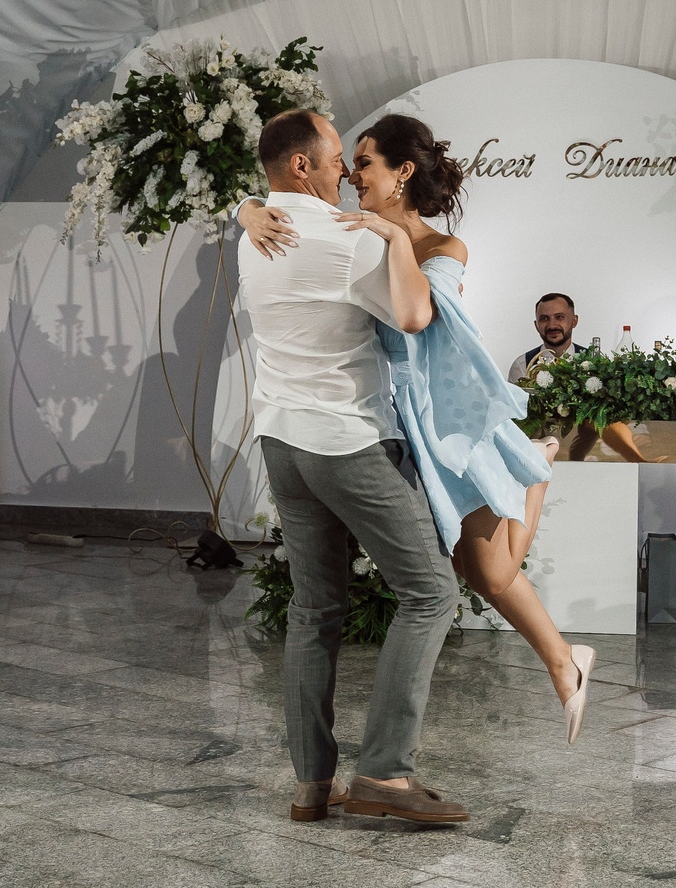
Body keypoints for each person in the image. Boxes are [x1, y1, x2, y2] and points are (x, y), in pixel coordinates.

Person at [244, 114, 594, 741]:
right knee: (470, 574)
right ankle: (567, 659)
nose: (352, 174)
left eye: (367, 162)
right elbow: (286, 213)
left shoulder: (441, 248)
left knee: (487, 574)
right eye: (348, 161)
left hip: (447, 422)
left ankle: (534, 477)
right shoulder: (357, 235)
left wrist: (397, 242)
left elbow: (424, 318)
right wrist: (247, 208)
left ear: (402, 173)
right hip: (396, 427)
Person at [234, 109, 469, 826]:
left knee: (315, 608)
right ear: (303, 166)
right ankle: (384, 775)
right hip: (345, 440)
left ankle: (312, 783)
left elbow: (248, 205)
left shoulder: (252, 230)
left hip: (280, 439)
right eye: (336, 155)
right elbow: (416, 315)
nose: (344, 168)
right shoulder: (346, 242)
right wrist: (398, 236)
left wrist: (244, 206)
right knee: (430, 590)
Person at [503, 293, 593, 385]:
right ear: (536, 325)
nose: (552, 325)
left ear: (574, 321)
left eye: (559, 317)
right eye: (544, 318)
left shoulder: (594, 362)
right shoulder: (522, 366)